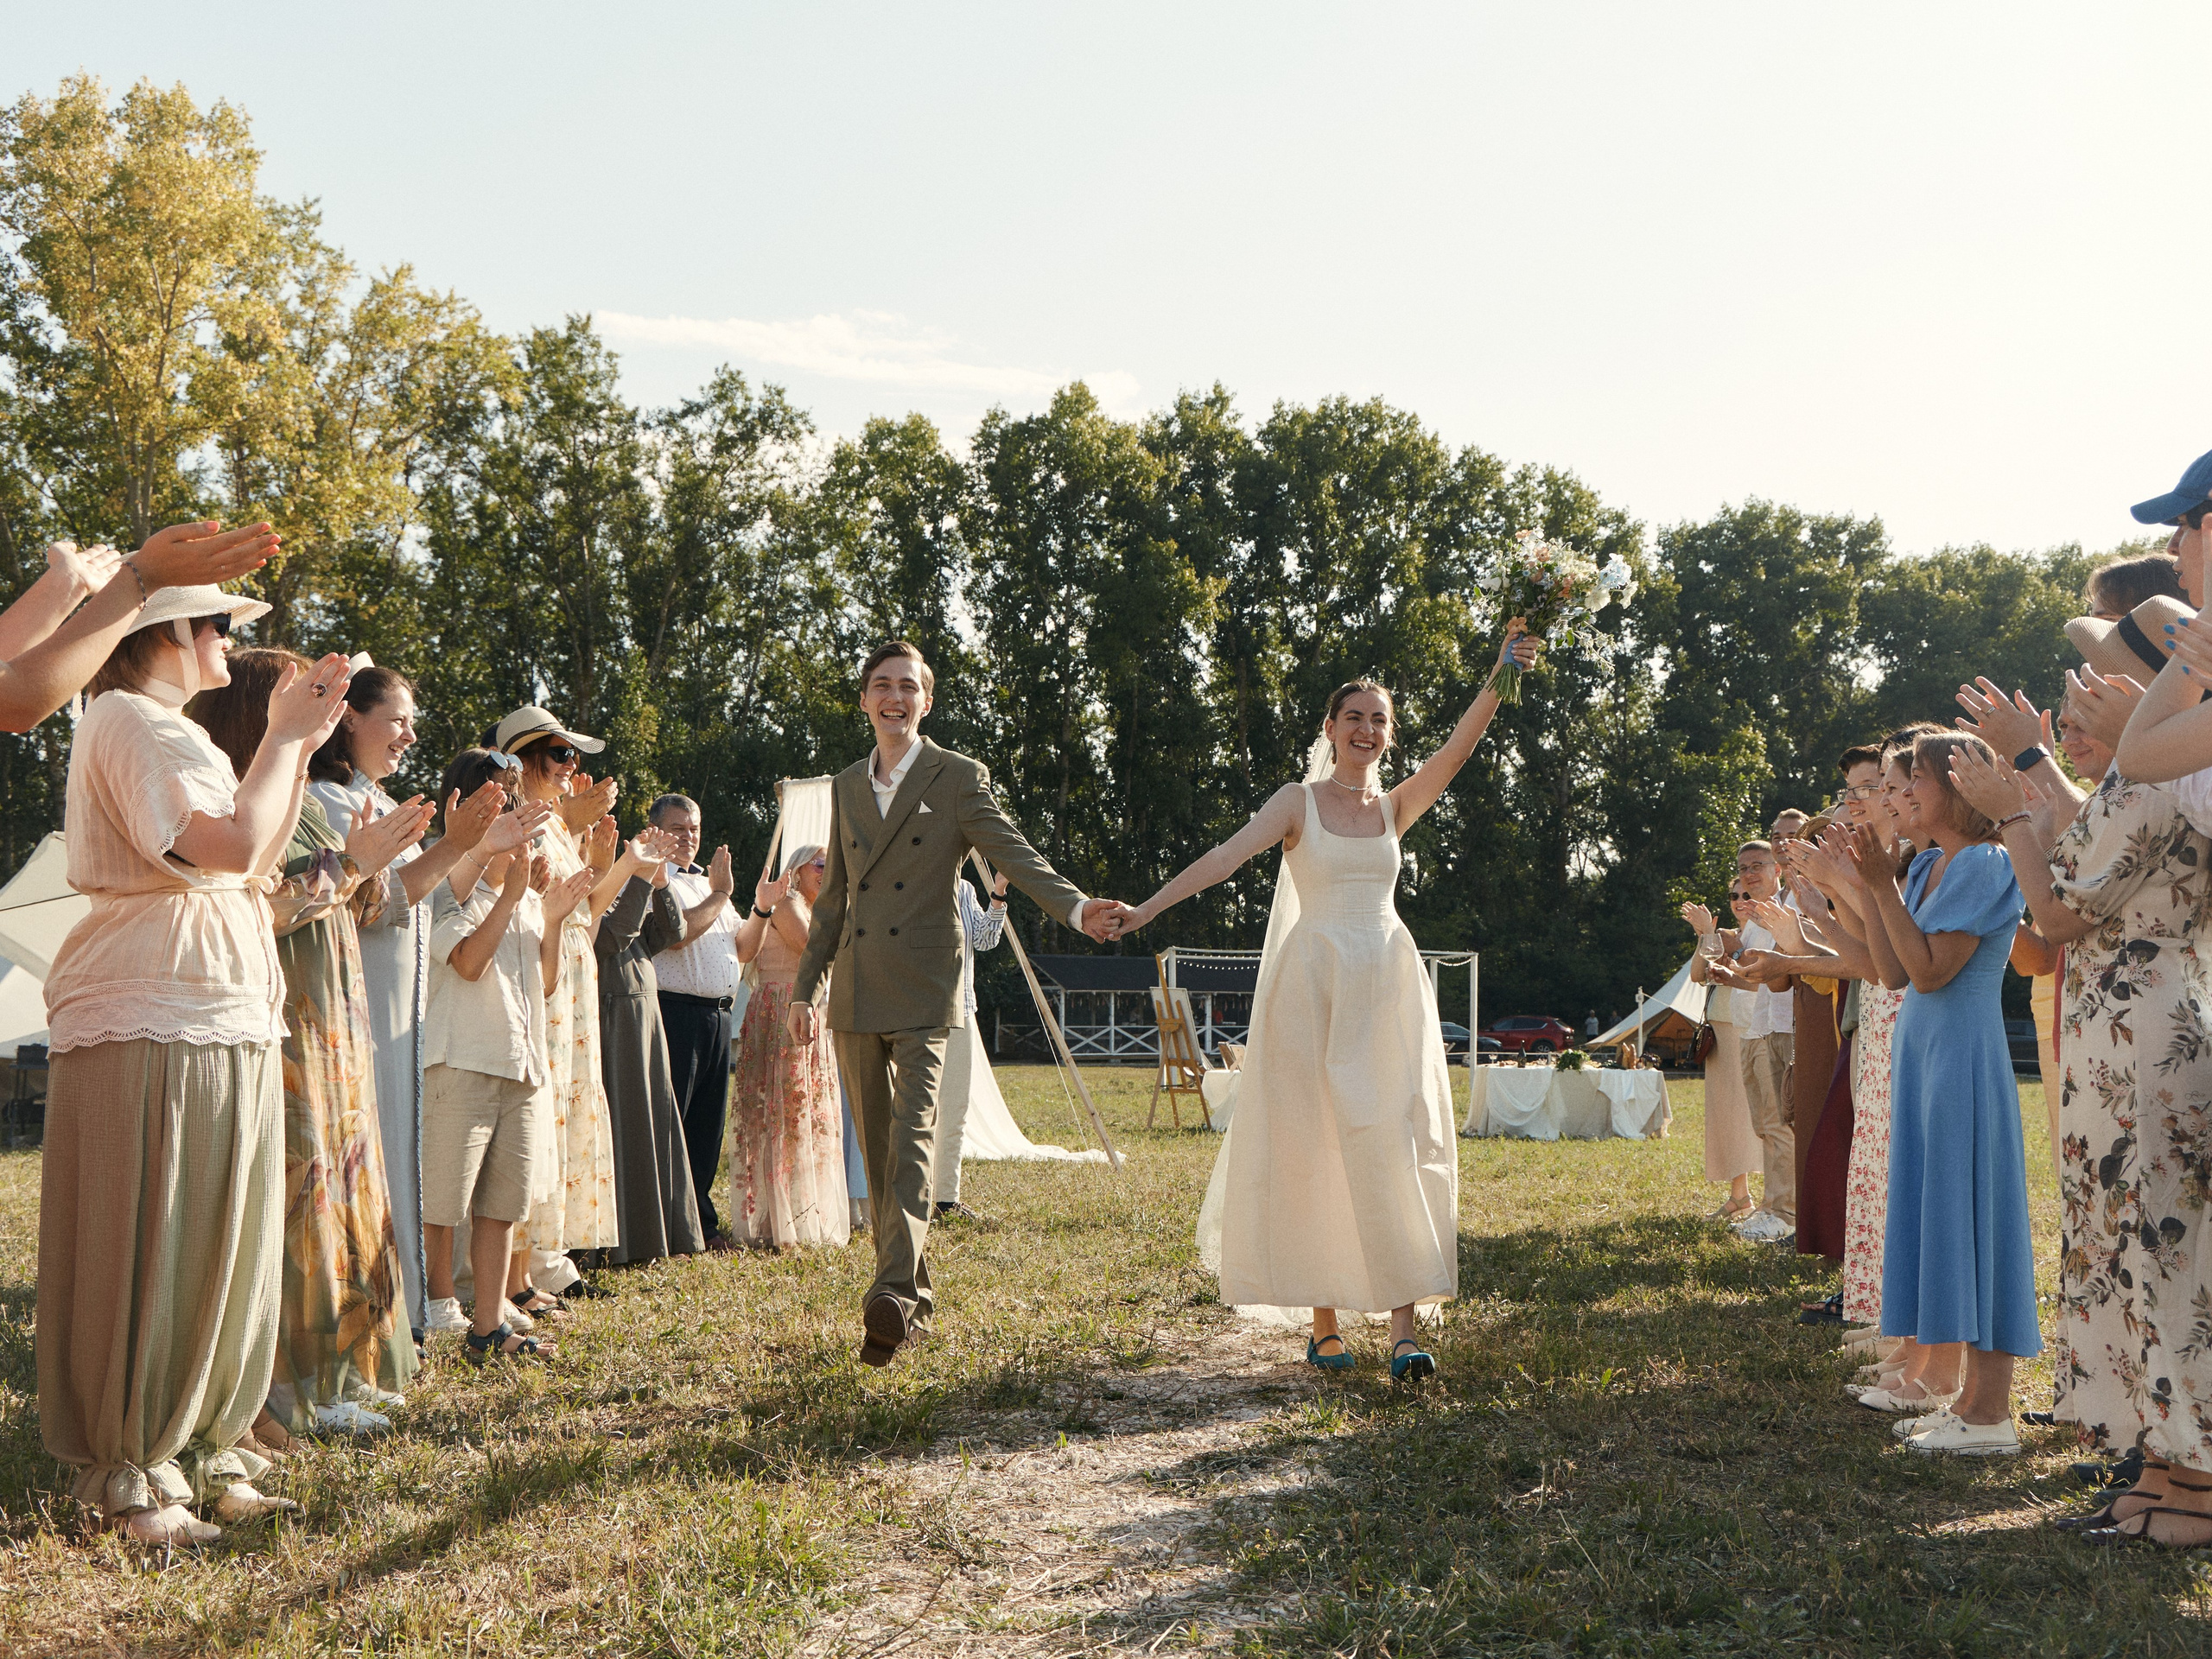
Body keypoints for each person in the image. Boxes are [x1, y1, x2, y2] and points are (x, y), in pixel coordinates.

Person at [1117, 625, 1541, 1381]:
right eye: (1354, 717)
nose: (1367, 730)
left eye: (1380, 719)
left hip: (1385, 983)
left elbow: (1457, 750)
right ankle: (1324, 1325)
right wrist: (1149, 909)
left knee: (1395, 1138)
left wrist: (1502, 672)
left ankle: (1406, 1330)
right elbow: (1225, 857)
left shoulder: (1395, 807)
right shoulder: (1297, 803)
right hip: (1312, 986)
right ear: (1330, 728)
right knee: (1314, 1143)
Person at [36, 584, 346, 1544]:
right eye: (213, 623)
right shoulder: (124, 717)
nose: (225, 641)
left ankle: (204, 1449)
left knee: (225, 1236)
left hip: (216, 998)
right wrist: (288, 737)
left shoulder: (179, 731)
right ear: (163, 631)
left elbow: (252, 865)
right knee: (158, 1233)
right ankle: (131, 1468)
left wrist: (292, 740)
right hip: (154, 997)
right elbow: (229, 845)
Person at [789, 640, 1128, 1366]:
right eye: (881, 685)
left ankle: (889, 1296)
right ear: (863, 700)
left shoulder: (957, 775)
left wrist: (1073, 910)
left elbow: (1014, 852)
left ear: (927, 702)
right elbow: (835, 899)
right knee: (879, 1158)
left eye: (908, 686)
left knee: (912, 1137)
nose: (894, 696)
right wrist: (805, 986)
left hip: (927, 987)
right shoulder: (846, 784)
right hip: (852, 987)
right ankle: (916, 1295)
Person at [1951, 713, 2212, 1539]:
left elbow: (2058, 912)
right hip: (2120, 1017)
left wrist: (2011, 811)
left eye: (2100, 665)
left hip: (2148, 1021)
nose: (2077, 698)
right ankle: (2164, 1466)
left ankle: (2194, 1484)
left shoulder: (2166, 776)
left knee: (2160, 1248)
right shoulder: (2148, 775)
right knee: (2124, 1246)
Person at [193, 648, 429, 1437]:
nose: (324, 711)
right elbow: (258, 909)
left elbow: (351, 912)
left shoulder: (308, 799)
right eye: (305, 696)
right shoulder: (233, 802)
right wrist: (355, 863)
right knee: (303, 1201)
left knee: (344, 1195)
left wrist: (372, 865)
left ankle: (347, 1368)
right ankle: (297, 1389)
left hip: (337, 1016)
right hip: (290, 1017)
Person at [305, 664, 540, 1339]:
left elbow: (420, 899)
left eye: (413, 722)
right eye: (399, 719)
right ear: (351, 717)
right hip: (358, 1004)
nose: (410, 735)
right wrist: (461, 846)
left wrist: (474, 847)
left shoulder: (378, 803)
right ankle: (377, 1313)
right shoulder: (326, 801)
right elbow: (374, 906)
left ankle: (402, 1309)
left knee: (396, 1163)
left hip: (402, 1019)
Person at [1844, 730, 2039, 1456]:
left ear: (1956, 788)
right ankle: (1960, 1398)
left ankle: (1991, 1414)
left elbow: (1931, 972)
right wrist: (1876, 884)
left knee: (1977, 1220)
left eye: (1913, 781)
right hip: (1923, 1053)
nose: (1901, 795)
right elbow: (1894, 974)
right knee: (1936, 1215)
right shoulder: (1926, 866)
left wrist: (1882, 885)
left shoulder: (1987, 862)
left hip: (1962, 1057)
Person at [421, 747, 598, 1363]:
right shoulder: (446, 890)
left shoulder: (523, 893)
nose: (510, 817)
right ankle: (438, 1307)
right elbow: (468, 964)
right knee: (443, 1198)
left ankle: (488, 1320)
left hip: (522, 1067)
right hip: (460, 1061)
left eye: (513, 804)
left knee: (502, 1203)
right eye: (493, 803)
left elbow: (544, 983)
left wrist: (548, 917)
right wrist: (511, 896)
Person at [489, 705, 621, 1303]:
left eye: (574, 756)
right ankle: (526, 1262)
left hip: (571, 973)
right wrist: (567, 819)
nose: (573, 767)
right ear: (524, 759)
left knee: (568, 1100)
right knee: (539, 1111)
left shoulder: (559, 828)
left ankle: (551, 1253)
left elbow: (581, 913)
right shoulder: (516, 817)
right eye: (561, 754)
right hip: (537, 972)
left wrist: (596, 865)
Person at [931, 868, 1108, 1205]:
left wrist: (998, 892)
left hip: (961, 1010)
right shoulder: (909, 882)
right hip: (916, 1011)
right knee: (917, 1110)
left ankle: (946, 1199)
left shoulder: (965, 889)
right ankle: (912, 1196)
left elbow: (984, 940)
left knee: (954, 1108)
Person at [0, 520, 277, 733]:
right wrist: (140, 577)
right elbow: (13, 702)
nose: (227, 641)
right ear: (166, 632)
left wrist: (68, 583)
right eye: (219, 623)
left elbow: (8, 684)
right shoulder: (135, 723)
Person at [729, 843, 851, 1249]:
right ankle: (773, 1222)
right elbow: (816, 946)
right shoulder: (785, 902)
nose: (827, 871)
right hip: (780, 1013)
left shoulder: (822, 908)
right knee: (778, 1117)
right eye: (821, 864)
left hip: (807, 1010)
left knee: (803, 1118)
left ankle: (800, 1217)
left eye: (832, 866)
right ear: (797, 870)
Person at [594, 823, 706, 1264]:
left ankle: (663, 1236)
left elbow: (670, 933)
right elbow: (613, 937)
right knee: (627, 1127)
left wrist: (659, 883)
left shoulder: (633, 882)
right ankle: (620, 1245)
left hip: (644, 1012)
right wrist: (637, 876)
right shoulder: (600, 884)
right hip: (612, 1012)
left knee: (654, 1122)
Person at [645, 794, 742, 1247]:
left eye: (695, 827)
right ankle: (668, 1224)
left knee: (707, 1128)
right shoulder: (650, 876)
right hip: (675, 1012)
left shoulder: (708, 883)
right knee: (673, 1124)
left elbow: (742, 950)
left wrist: (760, 908)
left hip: (719, 1016)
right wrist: (722, 894)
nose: (689, 837)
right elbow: (678, 937)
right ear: (658, 830)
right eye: (679, 828)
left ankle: (701, 1220)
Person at [1693, 839, 1796, 1243]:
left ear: (1778, 870)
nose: (1750, 874)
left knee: (1780, 1124)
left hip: (1778, 1027)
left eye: (1758, 866)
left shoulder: (1786, 911)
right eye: (1743, 867)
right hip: (1750, 1028)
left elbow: (1783, 977)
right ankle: (1770, 1206)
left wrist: (1738, 975)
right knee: (1765, 1125)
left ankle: (1785, 1213)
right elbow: (1729, 973)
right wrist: (1731, 974)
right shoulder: (1752, 920)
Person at [1679, 890, 1759, 1220]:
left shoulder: (1765, 932)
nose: (1739, 899)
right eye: (1733, 895)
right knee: (1727, 1117)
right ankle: (1739, 1197)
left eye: (1747, 893)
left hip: (1752, 1028)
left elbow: (1760, 974)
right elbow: (1697, 975)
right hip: (1719, 1034)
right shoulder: (1721, 937)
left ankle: (1778, 1201)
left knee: (1759, 1115)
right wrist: (1705, 936)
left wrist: (1730, 952)